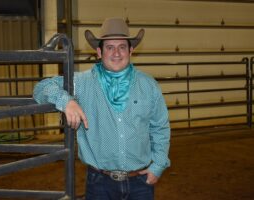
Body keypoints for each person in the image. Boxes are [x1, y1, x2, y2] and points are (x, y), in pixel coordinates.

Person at [33, 17, 170, 200]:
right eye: (109, 47)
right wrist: (66, 101)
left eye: (122, 47)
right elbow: (41, 87)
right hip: (100, 183)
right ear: (99, 52)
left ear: (131, 50)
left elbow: (160, 127)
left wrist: (158, 165)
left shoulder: (148, 85)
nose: (116, 53)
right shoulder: (82, 83)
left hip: (140, 182)